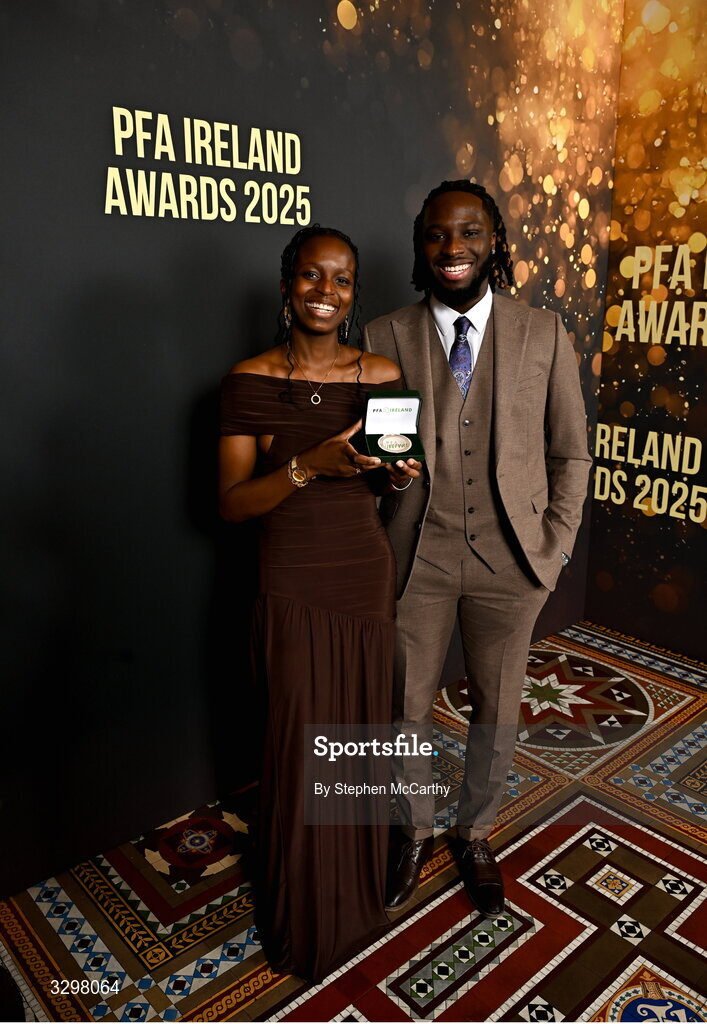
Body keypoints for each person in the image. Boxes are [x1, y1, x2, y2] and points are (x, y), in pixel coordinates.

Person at [362, 180, 591, 916]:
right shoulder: (381, 335)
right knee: (403, 706)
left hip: (512, 560)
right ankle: (414, 831)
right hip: (414, 558)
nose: (451, 249)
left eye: (467, 233)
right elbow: (372, 455)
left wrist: (551, 553)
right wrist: (375, 470)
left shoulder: (542, 332)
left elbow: (571, 455)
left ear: (493, 240)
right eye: (435, 235)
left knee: (496, 709)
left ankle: (476, 830)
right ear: (420, 247)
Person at [218, 225, 419, 983]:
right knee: (301, 745)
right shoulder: (249, 379)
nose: (325, 292)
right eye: (310, 276)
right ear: (285, 286)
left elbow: (395, 474)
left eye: (340, 280)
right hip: (292, 576)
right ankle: (307, 915)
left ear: (352, 292)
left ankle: (357, 896)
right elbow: (234, 504)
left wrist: (395, 475)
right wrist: (308, 465)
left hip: (361, 572)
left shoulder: (382, 371)